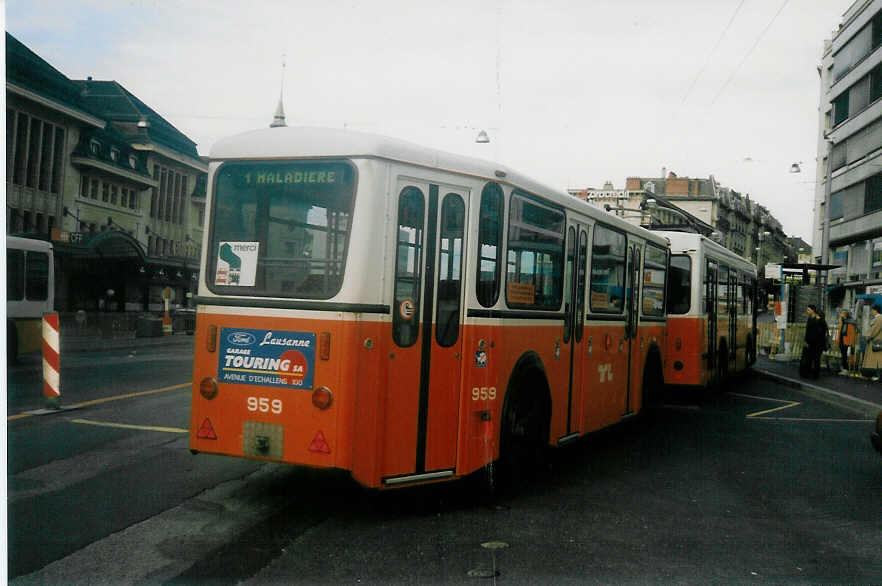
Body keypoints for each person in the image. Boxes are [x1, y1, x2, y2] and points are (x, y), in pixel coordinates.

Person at [802, 304, 828, 379]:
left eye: (809, 310)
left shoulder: (820, 321)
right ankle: (808, 373)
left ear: (814, 311)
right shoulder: (810, 318)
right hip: (811, 342)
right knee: (810, 358)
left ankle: (815, 374)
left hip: (818, 343)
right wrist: (806, 339)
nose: (807, 312)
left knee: (816, 358)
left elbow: (821, 332)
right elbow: (808, 330)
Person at [863, 304, 882, 382]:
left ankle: (878, 376)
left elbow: (874, 330)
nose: (871, 311)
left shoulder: (879, 318)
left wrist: (868, 336)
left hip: (876, 341)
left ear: (875, 310)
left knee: (877, 360)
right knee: (877, 360)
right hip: (877, 341)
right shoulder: (878, 318)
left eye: (872, 310)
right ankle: (877, 375)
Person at [835, 309, 855, 375]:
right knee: (843, 355)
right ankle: (844, 368)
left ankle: (846, 369)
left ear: (845, 314)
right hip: (841, 340)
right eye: (841, 313)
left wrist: (850, 343)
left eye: (842, 313)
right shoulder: (842, 321)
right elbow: (839, 331)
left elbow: (851, 333)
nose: (841, 315)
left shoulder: (850, 322)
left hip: (847, 341)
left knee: (846, 355)